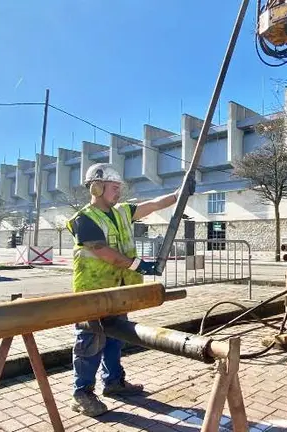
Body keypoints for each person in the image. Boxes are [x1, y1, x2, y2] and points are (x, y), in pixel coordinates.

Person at [66, 162, 195, 416]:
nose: (118, 192)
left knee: (116, 335)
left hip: (118, 292)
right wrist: (140, 265)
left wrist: (179, 194)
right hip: (93, 293)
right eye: (114, 188)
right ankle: (81, 394)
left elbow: (155, 204)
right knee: (90, 341)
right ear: (97, 187)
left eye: (119, 188)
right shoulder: (83, 219)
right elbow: (104, 252)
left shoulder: (123, 211)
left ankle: (114, 382)